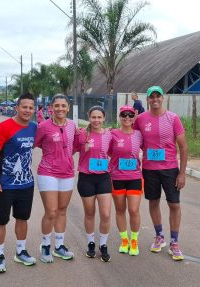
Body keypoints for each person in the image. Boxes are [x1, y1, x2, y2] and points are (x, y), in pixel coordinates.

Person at [133, 86, 187, 261]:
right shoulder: (140, 119)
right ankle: (159, 236)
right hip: (149, 169)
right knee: (153, 202)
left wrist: (182, 173)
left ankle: (174, 242)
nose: (154, 99)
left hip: (170, 168)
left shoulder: (173, 118)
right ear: (147, 99)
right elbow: (133, 139)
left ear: (162, 98)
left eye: (157, 96)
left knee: (174, 205)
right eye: (151, 97)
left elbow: (183, 147)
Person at [0, 93, 37, 273]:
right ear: (17, 108)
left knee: (23, 218)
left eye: (31, 107)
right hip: (5, 185)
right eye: (24, 107)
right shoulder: (3, 127)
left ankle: (21, 251)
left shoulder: (33, 127)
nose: (27, 110)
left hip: (26, 184)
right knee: (1, 221)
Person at [35, 94, 76, 263]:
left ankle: (59, 246)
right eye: (57, 105)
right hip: (47, 172)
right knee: (51, 211)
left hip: (67, 173)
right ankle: (45, 245)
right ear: (51, 107)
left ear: (68, 108)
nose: (60, 109)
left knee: (62, 210)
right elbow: (35, 143)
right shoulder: (43, 126)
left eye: (63, 105)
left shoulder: (73, 126)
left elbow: (75, 146)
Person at [74, 106, 112, 262]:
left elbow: (116, 151)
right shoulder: (82, 134)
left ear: (104, 118)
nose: (96, 120)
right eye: (93, 117)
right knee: (90, 213)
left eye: (99, 117)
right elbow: (71, 149)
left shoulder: (109, 135)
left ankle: (103, 244)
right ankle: (90, 243)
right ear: (89, 118)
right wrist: (84, 147)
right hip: (86, 178)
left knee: (106, 214)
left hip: (103, 178)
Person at [108, 105, 143, 256]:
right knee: (120, 210)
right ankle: (124, 240)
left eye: (130, 115)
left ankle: (134, 240)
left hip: (135, 177)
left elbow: (153, 145)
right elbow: (101, 145)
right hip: (117, 177)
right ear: (120, 117)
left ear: (134, 116)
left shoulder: (140, 135)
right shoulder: (112, 134)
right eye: (124, 115)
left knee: (134, 210)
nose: (127, 118)